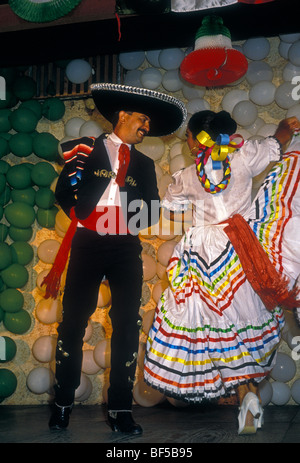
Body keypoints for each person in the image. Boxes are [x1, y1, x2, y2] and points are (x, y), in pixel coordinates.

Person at [144, 110, 300, 434]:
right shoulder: (243, 157)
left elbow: (171, 205)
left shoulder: (188, 175)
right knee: (247, 320)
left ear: (195, 139)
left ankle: (245, 395)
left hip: (202, 252)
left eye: (188, 136)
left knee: (217, 326)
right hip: (242, 248)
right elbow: (277, 145)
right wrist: (285, 129)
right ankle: (249, 396)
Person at [45, 83, 187, 435]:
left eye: (148, 123)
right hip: (88, 242)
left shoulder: (145, 163)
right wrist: (84, 217)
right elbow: (65, 191)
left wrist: (125, 211)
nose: (145, 127)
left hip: (125, 246)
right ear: (121, 116)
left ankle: (121, 409)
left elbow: (151, 211)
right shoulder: (87, 149)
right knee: (72, 324)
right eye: (141, 119)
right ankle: (62, 403)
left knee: (126, 325)